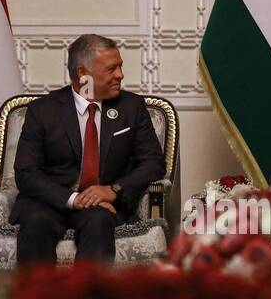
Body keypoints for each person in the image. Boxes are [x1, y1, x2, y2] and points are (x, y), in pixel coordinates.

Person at [10, 34, 165, 262]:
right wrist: (74, 199)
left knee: (98, 220)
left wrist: (113, 189)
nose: (120, 75)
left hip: (103, 207)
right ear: (83, 74)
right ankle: (38, 297)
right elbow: (26, 173)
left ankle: (89, 297)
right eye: (111, 69)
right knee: (36, 223)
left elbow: (154, 163)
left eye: (120, 67)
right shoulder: (43, 110)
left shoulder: (132, 108)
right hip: (50, 201)